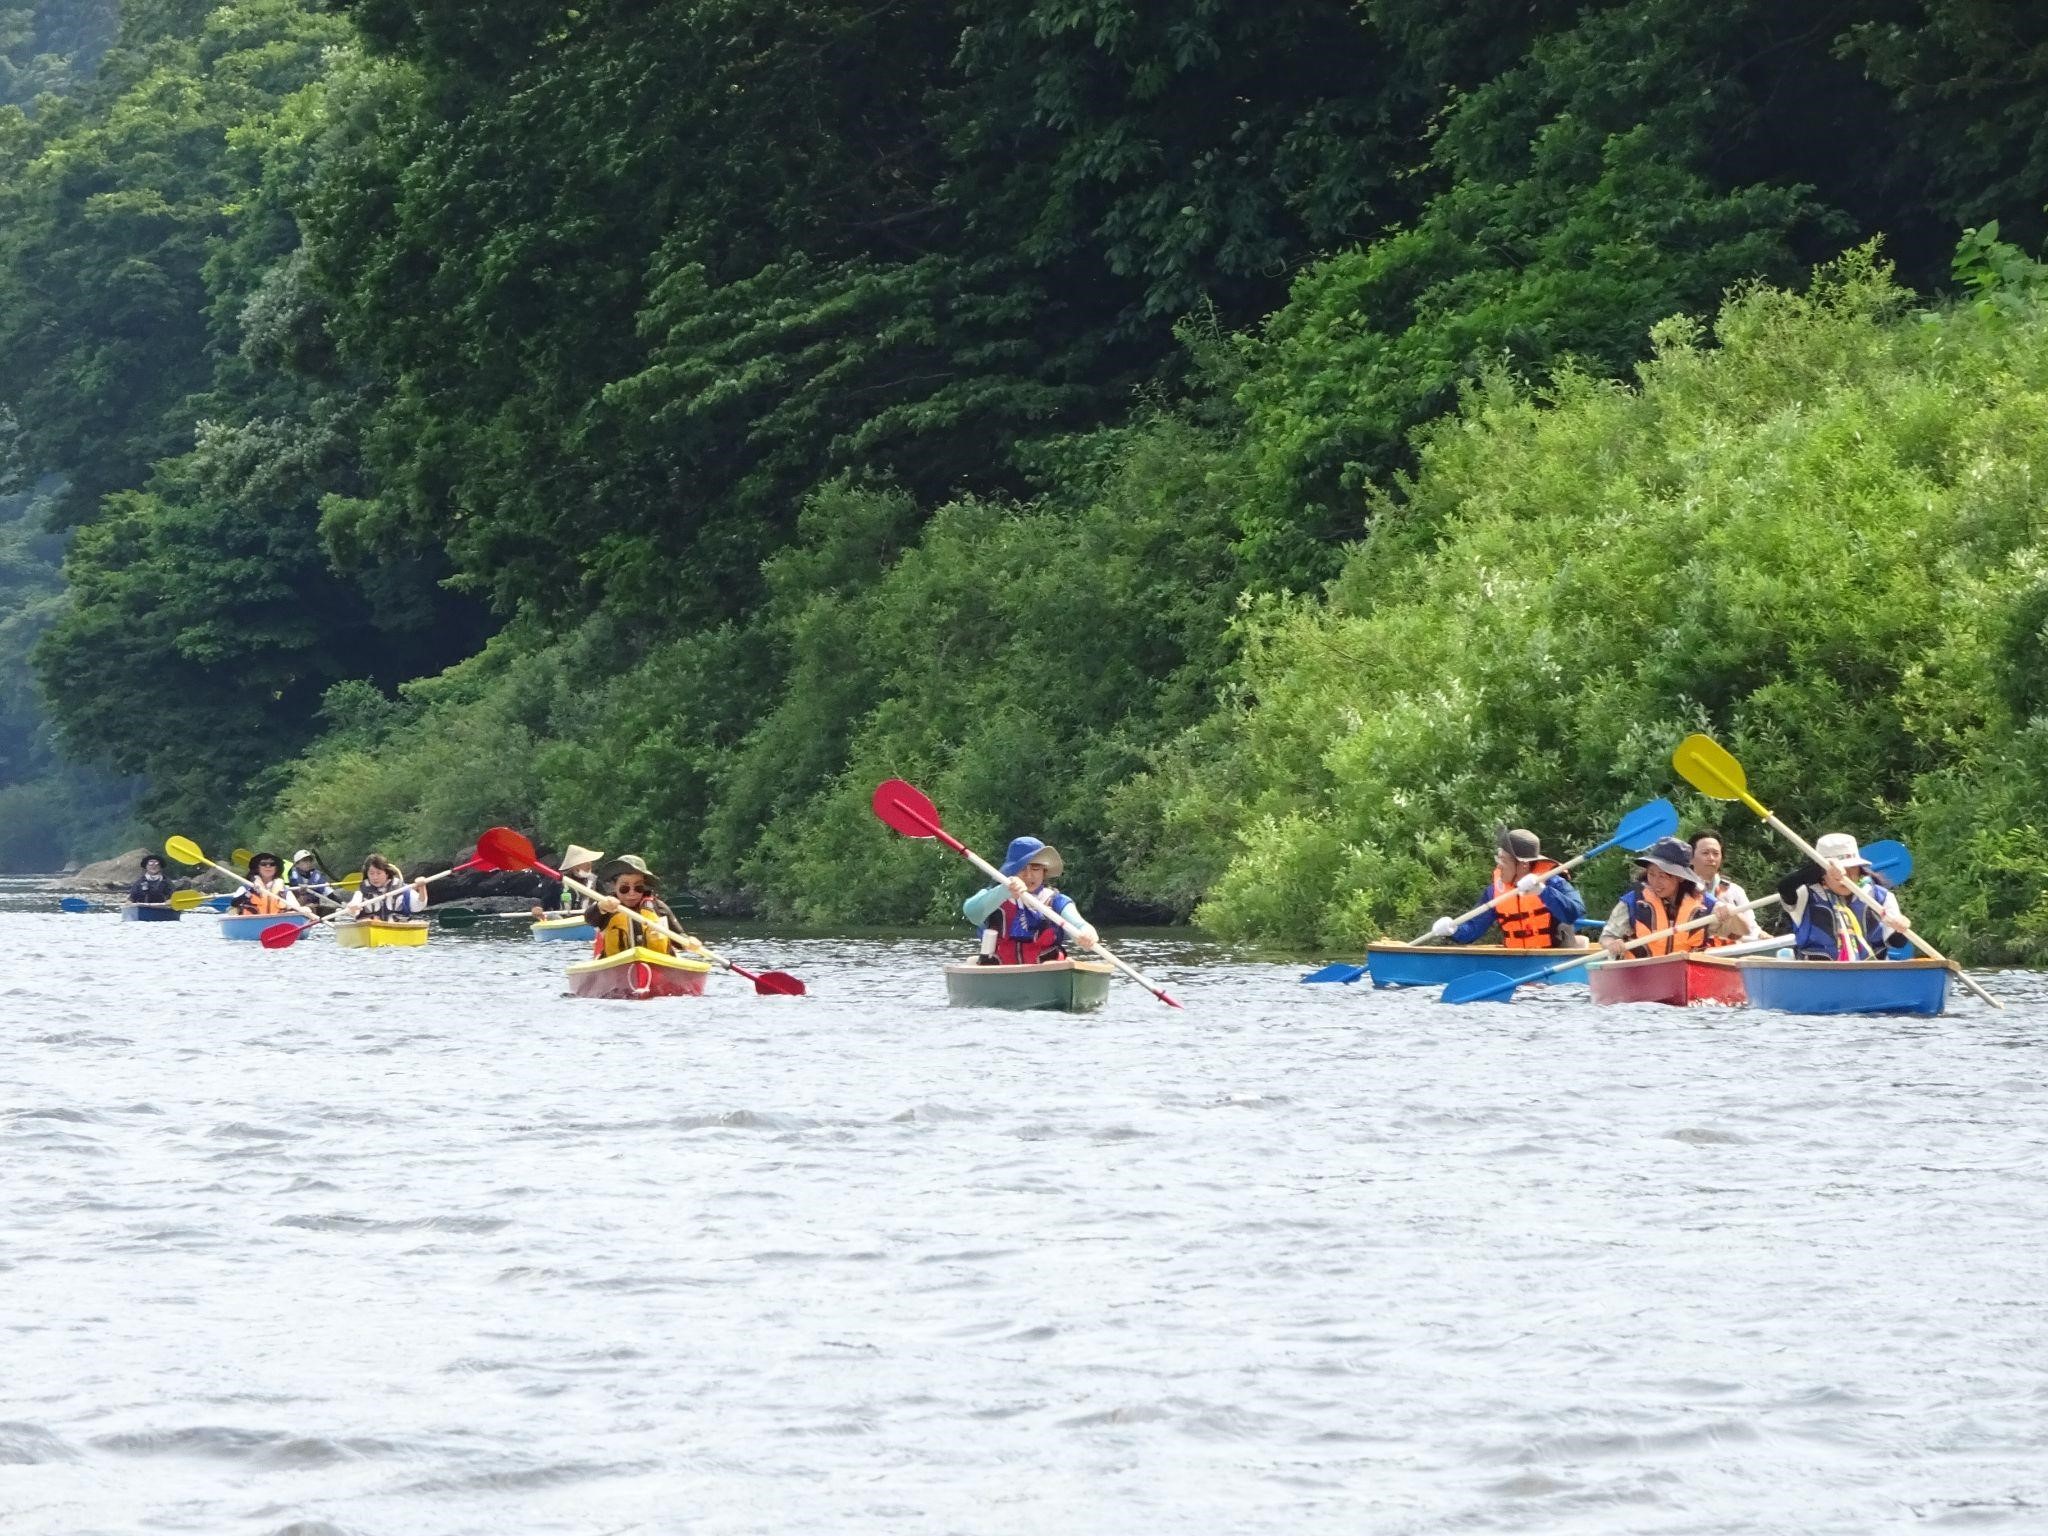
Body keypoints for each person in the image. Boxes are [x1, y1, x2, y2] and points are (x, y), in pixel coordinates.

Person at [1435, 828, 1586, 949]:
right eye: (1498, 858)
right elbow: (1473, 928)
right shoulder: (1494, 891)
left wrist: (1543, 892)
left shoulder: (1552, 882)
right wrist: (1453, 930)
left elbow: (1576, 914)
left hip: (1552, 960)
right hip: (1516, 960)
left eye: (1504, 860)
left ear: (1523, 865)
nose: (1499, 865)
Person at [1601, 836, 1751, 957]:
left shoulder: (1705, 903)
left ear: (1680, 877)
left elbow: (1743, 931)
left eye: (1663, 876)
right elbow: (1607, 937)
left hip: (1687, 975)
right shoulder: (1633, 901)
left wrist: (1732, 912)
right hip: (1641, 975)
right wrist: (1612, 944)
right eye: (1651, 874)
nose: (1655, 882)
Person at [1776, 833, 1914, 961]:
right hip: (1817, 977)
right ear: (1821, 873)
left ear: (1860, 869)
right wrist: (1823, 866)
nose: (1844, 876)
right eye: (1838, 871)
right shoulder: (1804, 895)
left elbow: (1897, 943)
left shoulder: (1880, 897)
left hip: (1869, 976)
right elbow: (1784, 887)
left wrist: (1902, 928)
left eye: (1851, 868)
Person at [962, 836, 1099, 964]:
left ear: (1043, 871)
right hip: (1001, 972)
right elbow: (971, 913)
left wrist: (1087, 935)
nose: (1028, 875)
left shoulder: (1056, 900)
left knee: (1056, 962)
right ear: (1012, 871)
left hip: (1047, 971)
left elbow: (1079, 925)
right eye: (1021, 869)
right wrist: (1004, 890)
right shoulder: (995, 895)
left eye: (1035, 868)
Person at [585, 855, 699, 957]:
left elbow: (679, 937)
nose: (632, 893)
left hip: (657, 965)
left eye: (638, 887)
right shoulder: (607, 906)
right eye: (624, 888)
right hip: (617, 967)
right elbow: (589, 918)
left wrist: (689, 942)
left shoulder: (658, 907)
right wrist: (600, 906)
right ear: (614, 886)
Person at [1690, 829, 1762, 939]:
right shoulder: (1680, 889)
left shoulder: (1735, 891)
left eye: (1716, 853)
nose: (1711, 858)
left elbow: (1752, 928)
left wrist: (1761, 935)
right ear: (1690, 858)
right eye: (1705, 853)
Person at [531, 844, 603, 921]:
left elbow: (605, 897)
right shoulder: (557, 882)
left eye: (589, 861)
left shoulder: (594, 880)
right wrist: (537, 908)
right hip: (565, 921)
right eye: (585, 861)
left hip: (591, 919)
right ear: (575, 865)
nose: (589, 863)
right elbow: (545, 902)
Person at [345, 854, 427, 919]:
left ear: (387, 873)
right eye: (371, 873)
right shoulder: (361, 891)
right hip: (370, 928)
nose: (375, 877)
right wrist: (352, 907)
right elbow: (354, 905)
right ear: (367, 874)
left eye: (379, 873)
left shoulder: (402, 888)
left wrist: (422, 887)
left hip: (397, 928)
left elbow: (419, 906)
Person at [231, 852, 310, 916]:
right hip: (251, 924)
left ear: (276, 868)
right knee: (233, 911)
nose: (268, 866)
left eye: (272, 864)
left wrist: (304, 910)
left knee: (303, 910)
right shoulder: (246, 887)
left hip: (278, 924)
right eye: (264, 864)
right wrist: (250, 892)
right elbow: (234, 903)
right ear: (258, 868)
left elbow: (295, 907)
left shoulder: (284, 891)